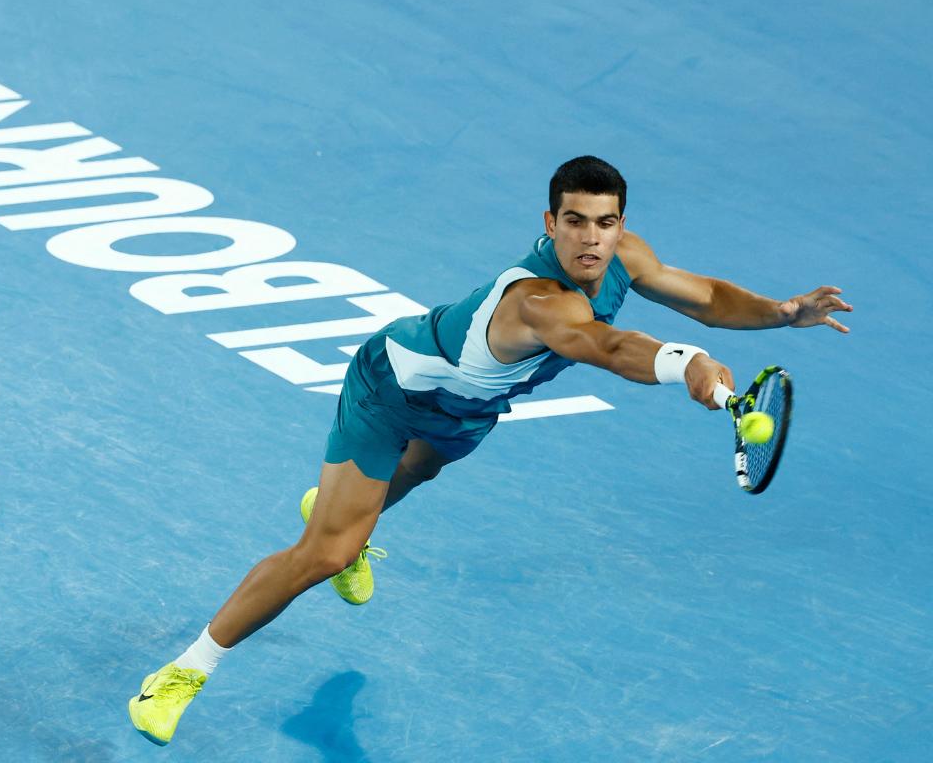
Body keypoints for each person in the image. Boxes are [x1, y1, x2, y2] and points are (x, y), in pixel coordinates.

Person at [128, 155, 852, 745]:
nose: (591, 240)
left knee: (422, 466)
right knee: (326, 553)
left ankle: (347, 507)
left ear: (620, 224)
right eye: (574, 223)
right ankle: (184, 672)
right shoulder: (539, 300)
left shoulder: (625, 255)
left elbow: (703, 295)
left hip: (467, 414)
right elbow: (603, 344)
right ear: (550, 223)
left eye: (604, 223)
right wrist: (684, 361)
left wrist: (784, 314)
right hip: (392, 390)